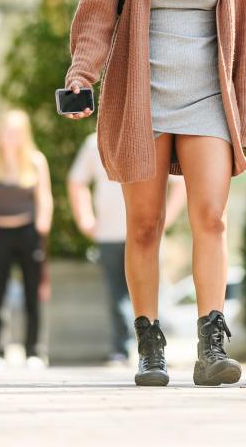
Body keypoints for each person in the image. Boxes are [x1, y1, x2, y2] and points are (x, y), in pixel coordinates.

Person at [63, 0, 246, 387]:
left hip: (205, 99)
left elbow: (244, 28)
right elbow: (96, 18)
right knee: (144, 226)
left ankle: (211, 342)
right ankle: (149, 342)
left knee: (211, 218)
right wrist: (82, 77)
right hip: (143, 99)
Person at [67, 131, 187, 365]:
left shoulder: (151, 138)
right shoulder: (95, 142)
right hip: (109, 234)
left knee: (155, 290)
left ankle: (157, 351)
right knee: (117, 296)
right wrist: (85, 218)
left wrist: (167, 218)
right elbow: (77, 180)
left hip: (149, 234)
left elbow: (179, 183)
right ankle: (121, 350)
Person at [0, 109, 52, 369]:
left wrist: (41, 228)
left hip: (28, 233)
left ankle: (35, 351)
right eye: (6, 130)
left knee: (32, 294)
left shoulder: (36, 162)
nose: (10, 136)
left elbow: (44, 200)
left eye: (15, 131)